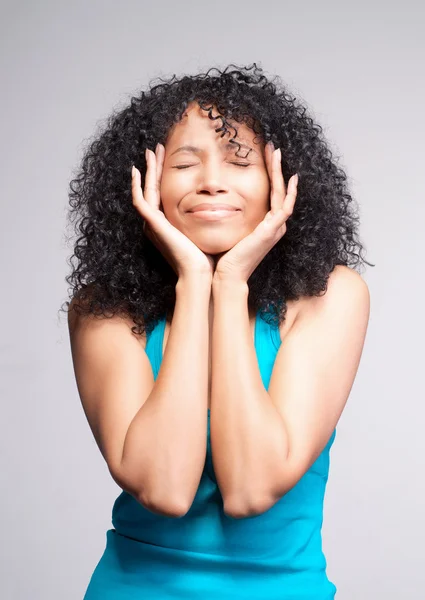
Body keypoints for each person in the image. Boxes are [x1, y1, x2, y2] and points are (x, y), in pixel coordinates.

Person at [63, 62, 372, 599]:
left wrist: (229, 284)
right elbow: (164, 488)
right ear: (146, 182)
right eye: (185, 163)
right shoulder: (102, 308)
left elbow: (252, 488)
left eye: (239, 160)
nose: (212, 181)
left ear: (280, 181)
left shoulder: (330, 294)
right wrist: (193, 281)